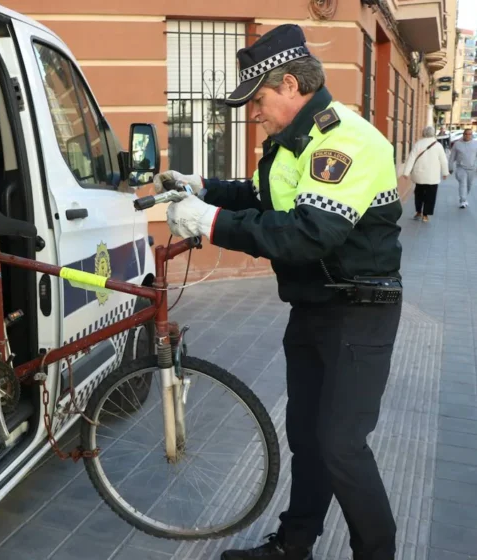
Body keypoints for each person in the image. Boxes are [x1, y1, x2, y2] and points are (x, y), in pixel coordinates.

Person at [154, 24, 403, 560]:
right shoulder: (295, 145)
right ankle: (295, 545)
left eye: (258, 99)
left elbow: (307, 235)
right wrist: (203, 187)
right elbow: (264, 196)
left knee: (342, 447)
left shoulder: (344, 140)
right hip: (315, 307)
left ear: (290, 84)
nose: (253, 113)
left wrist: (210, 223)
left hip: (360, 311)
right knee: (308, 441)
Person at [401, 125, 448, 222]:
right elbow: (443, 160)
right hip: (432, 176)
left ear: (423, 133)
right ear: (433, 133)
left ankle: (418, 212)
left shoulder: (418, 144)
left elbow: (411, 158)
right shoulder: (438, 145)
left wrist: (406, 172)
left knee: (419, 194)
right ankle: (425, 215)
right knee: (431, 196)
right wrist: (445, 172)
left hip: (419, 174)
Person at [448, 128, 477, 209]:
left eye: (469, 134)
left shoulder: (475, 144)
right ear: (463, 134)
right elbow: (452, 157)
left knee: (469, 185)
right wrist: (450, 167)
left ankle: (464, 198)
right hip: (461, 168)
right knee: (463, 183)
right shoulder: (457, 144)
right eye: (466, 134)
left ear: (472, 135)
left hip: (471, 168)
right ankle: (463, 200)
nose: (468, 135)